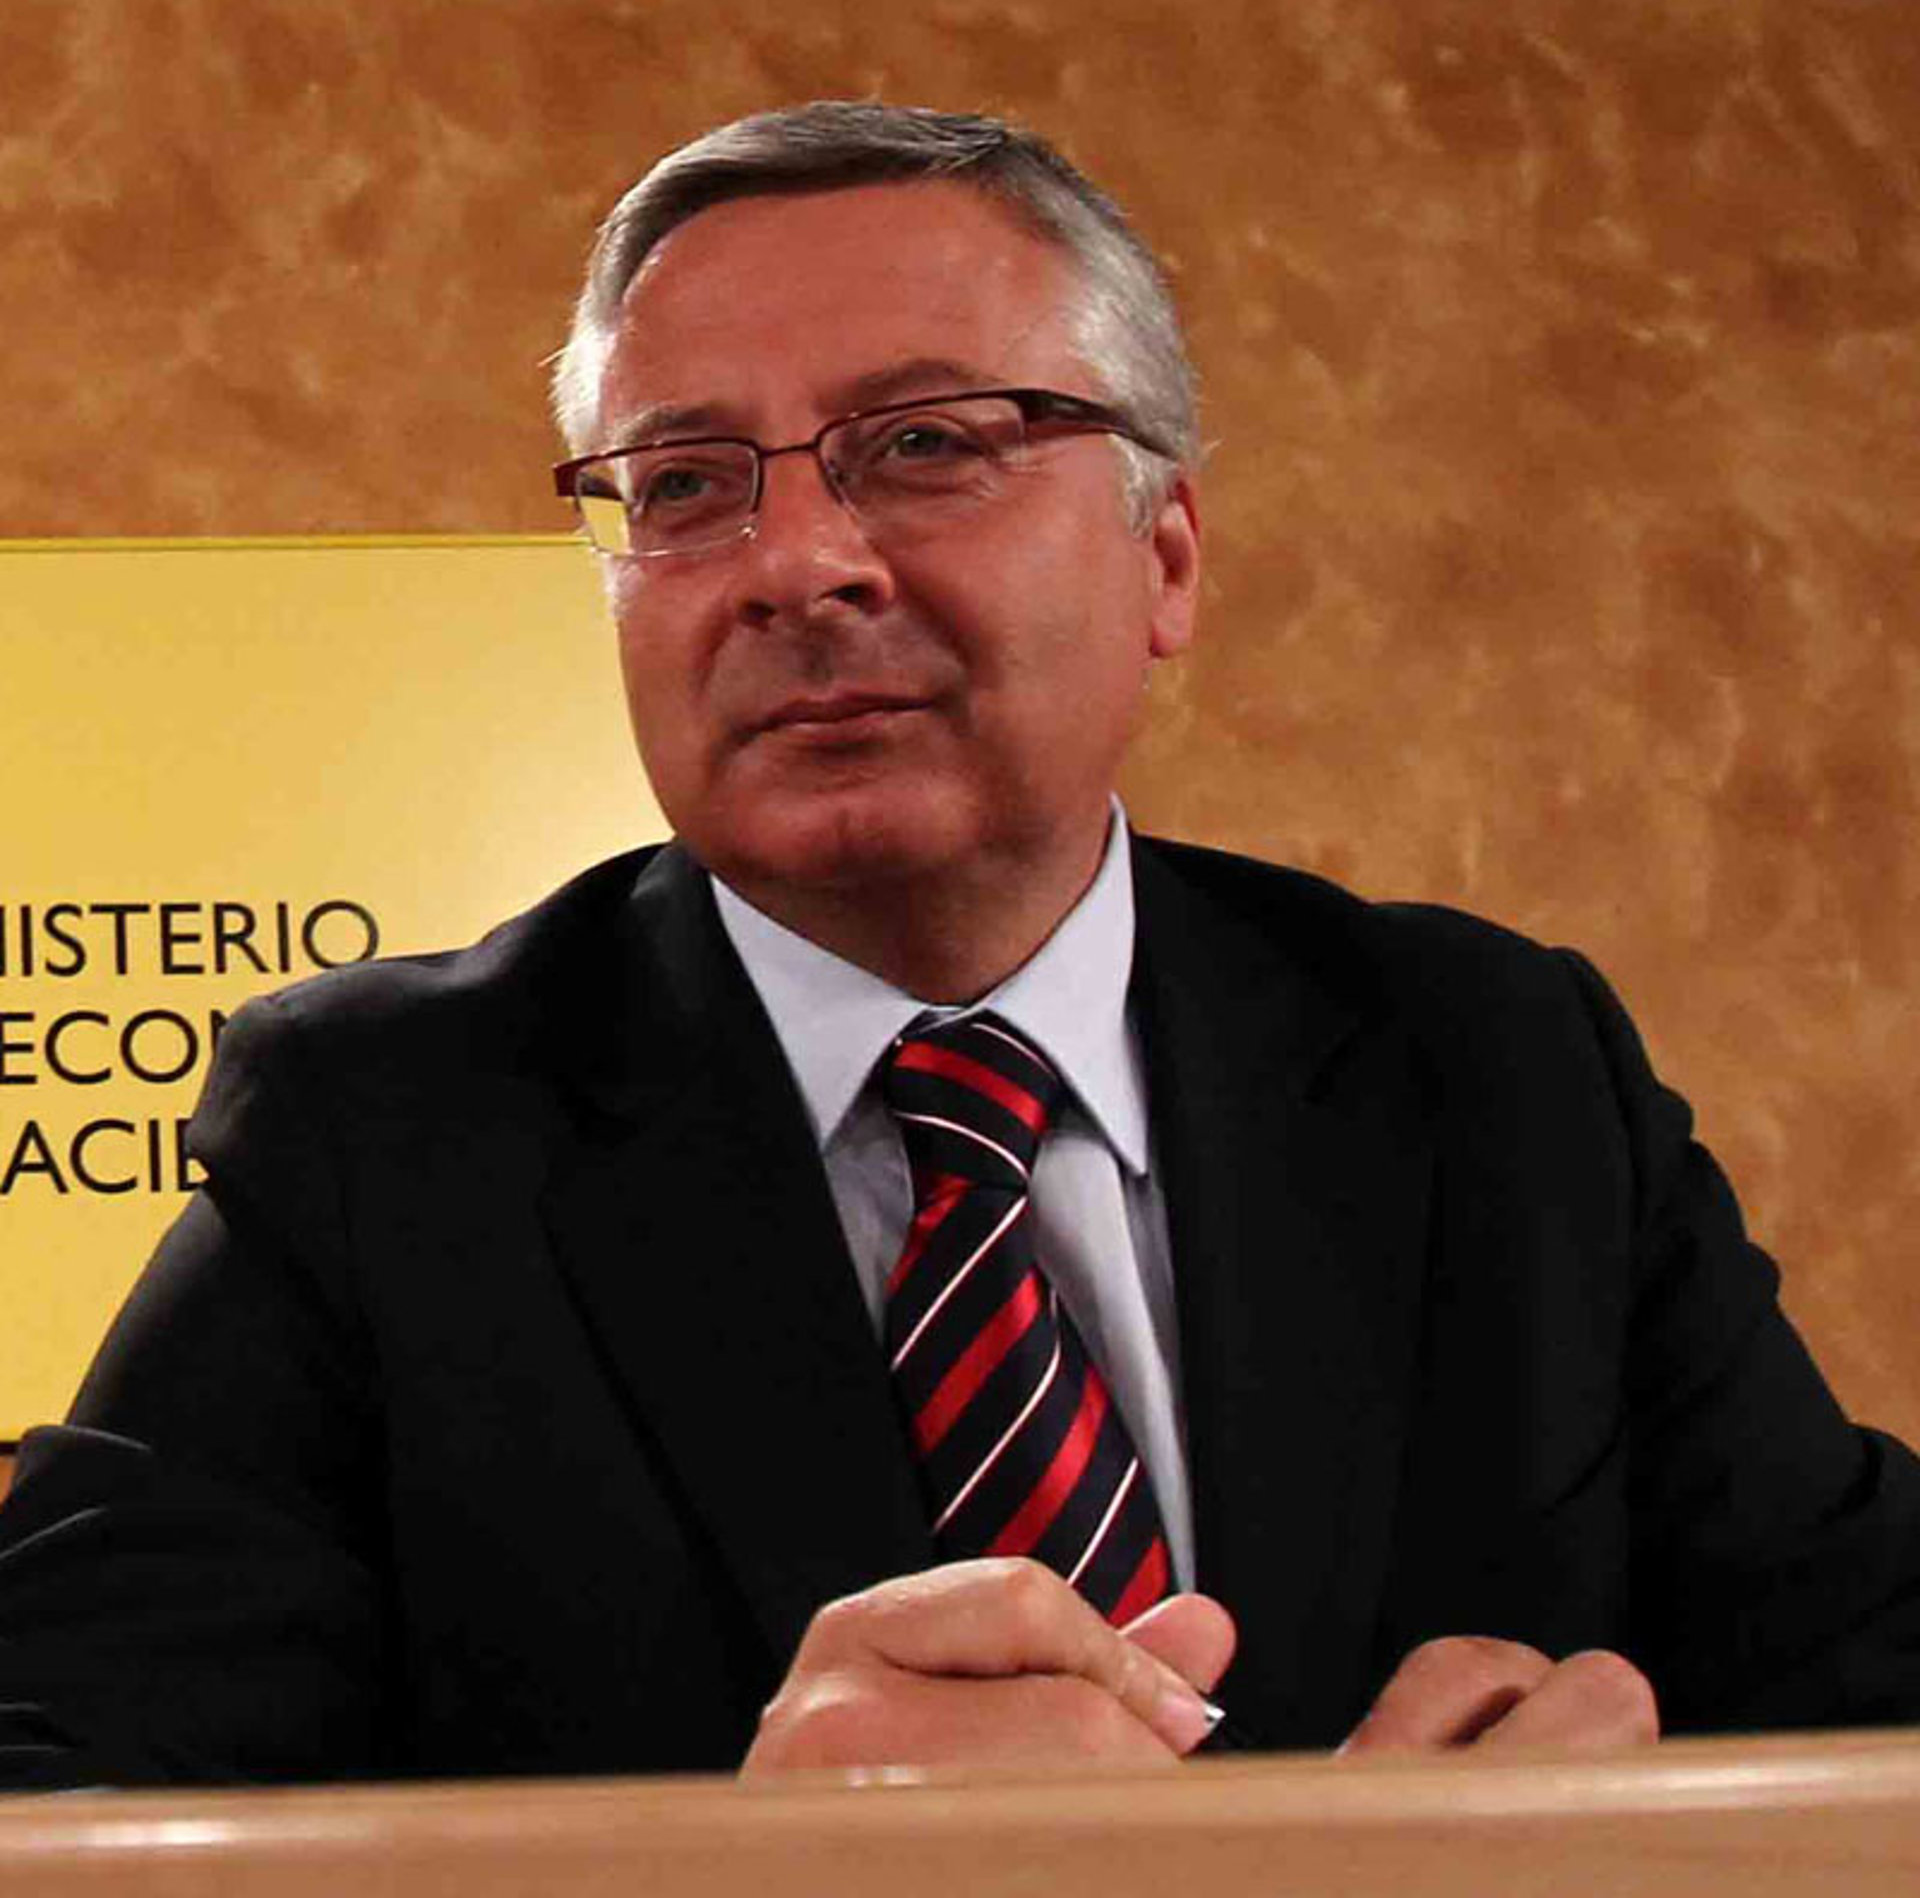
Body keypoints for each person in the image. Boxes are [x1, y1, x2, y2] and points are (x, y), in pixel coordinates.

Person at [2, 101, 1916, 1791]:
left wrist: (1666, 1812)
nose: (796, 564)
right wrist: (723, 1880)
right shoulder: (383, 1134)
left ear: (1168, 557)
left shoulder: (1498, 1065)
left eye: (925, 443)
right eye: (684, 484)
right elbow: (54, 1790)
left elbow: (1866, 1674)